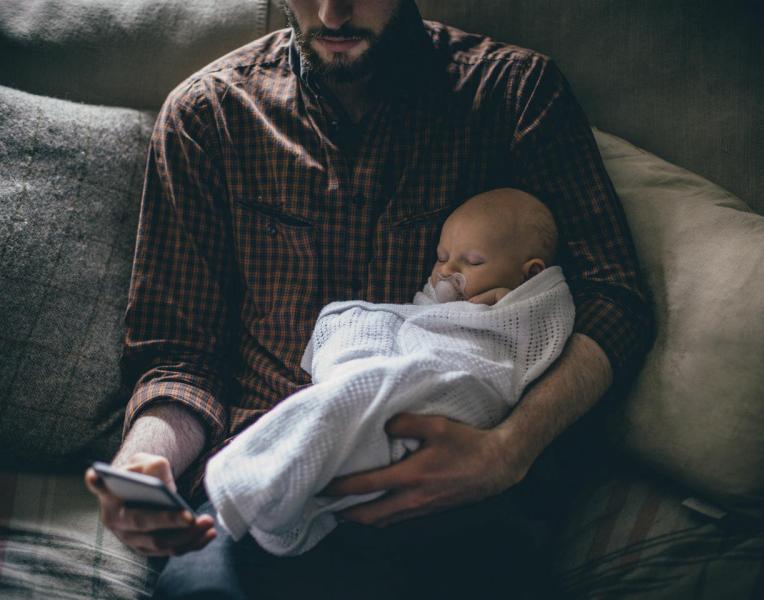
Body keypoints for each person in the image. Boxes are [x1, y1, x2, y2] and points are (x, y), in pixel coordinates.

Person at [84, 0, 654, 597]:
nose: (332, 15)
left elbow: (613, 297)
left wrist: (506, 451)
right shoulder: (209, 117)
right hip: (267, 478)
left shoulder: (512, 95)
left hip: (457, 490)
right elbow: (178, 355)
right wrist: (141, 466)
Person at [204, 188, 575, 556]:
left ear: (532, 274)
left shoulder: (531, 307)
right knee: (356, 325)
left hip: (461, 385)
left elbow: (538, 330)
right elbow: (420, 319)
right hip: (414, 353)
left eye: (473, 262)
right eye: (442, 257)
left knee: (370, 391)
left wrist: (506, 305)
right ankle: (280, 475)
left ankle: (255, 479)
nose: (448, 272)